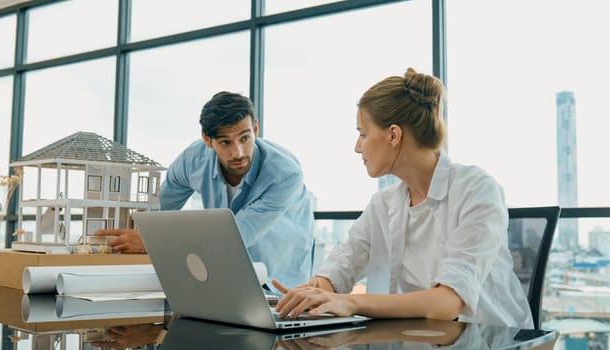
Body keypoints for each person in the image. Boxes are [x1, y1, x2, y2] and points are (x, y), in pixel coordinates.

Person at [272, 68, 533, 328]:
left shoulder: (477, 190)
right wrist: (319, 287)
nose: (356, 146)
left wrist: (350, 302)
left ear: (394, 135)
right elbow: (345, 261)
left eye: (362, 133)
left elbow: (447, 303)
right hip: (418, 341)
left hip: (489, 340)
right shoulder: (383, 204)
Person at [96, 91, 315, 289]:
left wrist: (154, 242)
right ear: (207, 140)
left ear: (255, 129)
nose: (238, 152)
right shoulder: (193, 160)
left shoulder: (285, 174)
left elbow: (237, 236)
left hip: (278, 281)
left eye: (245, 138)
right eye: (225, 142)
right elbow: (157, 212)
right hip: (222, 271)